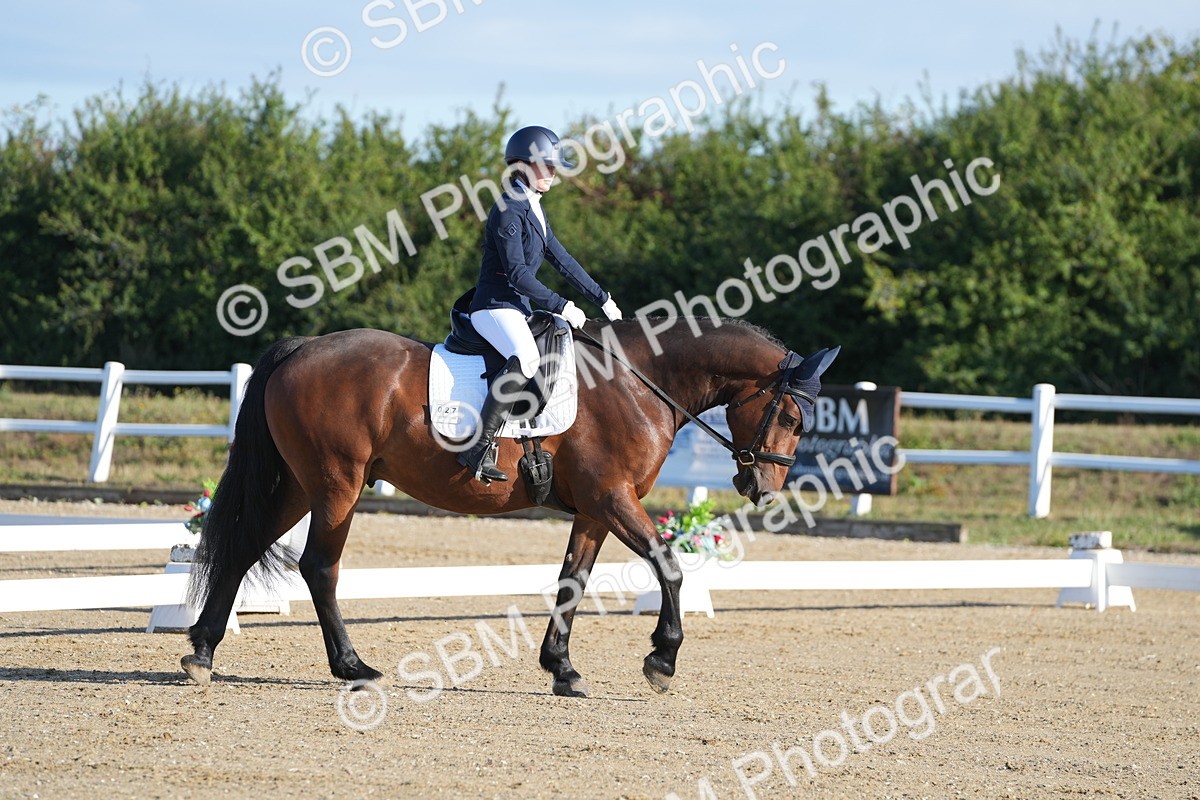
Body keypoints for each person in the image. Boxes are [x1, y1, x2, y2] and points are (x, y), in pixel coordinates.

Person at [457, 125, 622, 483]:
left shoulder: (533, 207)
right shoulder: (508, 209)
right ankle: (477, 448)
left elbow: (562, 260)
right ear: (524, 165)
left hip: (517, 308)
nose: (553, 172)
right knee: (528, 358)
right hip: (493, 306)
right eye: (548, 166)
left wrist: (602, 298)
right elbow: (517, 274)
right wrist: (562, 304)